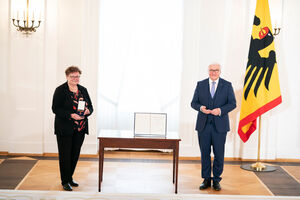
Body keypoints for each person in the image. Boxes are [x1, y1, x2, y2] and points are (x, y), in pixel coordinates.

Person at [191, 63, 236, 191]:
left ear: (220, 71)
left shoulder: (227, 85)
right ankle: (206, 179)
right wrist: (201, 108)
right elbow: (193, 103)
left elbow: (233, 103)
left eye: (216, 70)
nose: (214, 72)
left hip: (220, 127)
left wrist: (221, 110)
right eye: (211, 70)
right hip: (203, 126)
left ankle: (216, 180)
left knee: (219, 154)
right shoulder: (200, 84)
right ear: (208, 71)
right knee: (204, 153)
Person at [52, 66, 93, 191]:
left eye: (77, 76)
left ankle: (70, 178)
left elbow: (91, 106)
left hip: (80, 128)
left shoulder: (83, 90)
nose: (76, 78)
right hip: (65, 128)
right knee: (65, 155)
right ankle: (65, 181)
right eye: (73, 76)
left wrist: (88, 111)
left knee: (75, 154)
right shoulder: (60, 90)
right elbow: (55, 108)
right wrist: (70, 115)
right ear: (67, 77)